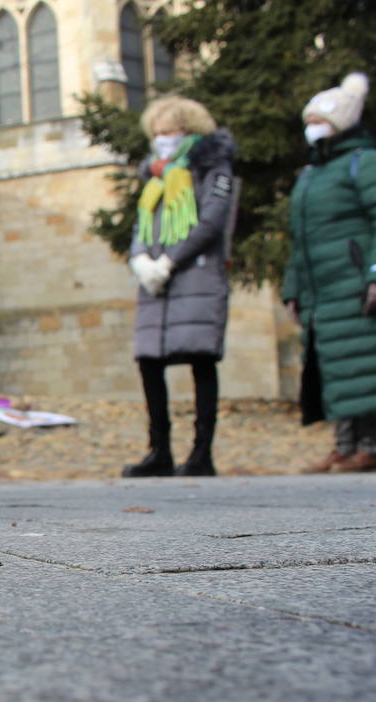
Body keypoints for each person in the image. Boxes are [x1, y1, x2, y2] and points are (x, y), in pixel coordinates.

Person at [285, 73, 376, 474]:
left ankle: (370, 448)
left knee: (365, 364)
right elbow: (300, 237)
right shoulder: (311, 175)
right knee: (333, 365)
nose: (312, 129)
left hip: (355, 281)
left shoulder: (365, 162)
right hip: (321, 290)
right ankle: (343, 445)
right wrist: (293, 288)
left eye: (319, 120)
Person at [123, 97, 236, 477]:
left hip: (194, 275)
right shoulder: (156, 177)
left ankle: (202, 452)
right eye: (156, 133)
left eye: (168, 132)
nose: (161, 140)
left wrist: (171, 260)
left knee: (201, 358)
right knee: (149, 359)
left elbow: (212, 220)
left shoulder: (212, 169)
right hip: (155, 281)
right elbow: (142, 225)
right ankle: (160, 450)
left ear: (189, 131)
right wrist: (141, 259)